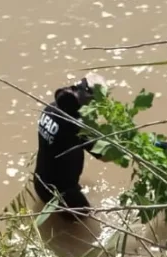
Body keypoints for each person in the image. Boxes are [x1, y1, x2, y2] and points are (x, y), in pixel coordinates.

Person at [33, 74, 112, 221]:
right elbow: (107, 156)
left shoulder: (51, 107)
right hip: (62, 195)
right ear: (88, 98)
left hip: (40, 182)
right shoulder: (77, 125)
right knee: (88, 225)